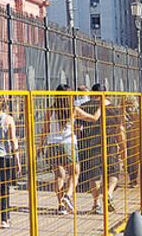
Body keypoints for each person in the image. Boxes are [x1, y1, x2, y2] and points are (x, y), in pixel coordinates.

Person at [42, 85, 99, 214]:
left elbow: (45, 130)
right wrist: (101, 106)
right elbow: (93, 118)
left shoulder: (51, 110)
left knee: (59, 175)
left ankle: (61, 205)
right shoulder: (73, 109)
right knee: (75, 172)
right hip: (68, 143)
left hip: (52, 143)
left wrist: (40, 146)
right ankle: (68, 195)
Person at [87, 85, 127, 215]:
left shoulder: (87, 107)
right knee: (114, 171)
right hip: (110, 143)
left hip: (91, 144)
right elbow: (119, 130)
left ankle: (96, 203)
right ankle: (109, 193)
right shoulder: (114, 109)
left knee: (94, 174)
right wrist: (123, 148)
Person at [0, 96, 22, 228]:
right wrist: (17, 159)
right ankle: (5, 219)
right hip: (4, 156)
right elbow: (13, 140)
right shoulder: (8, 119)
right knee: (4, 188)